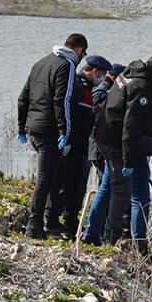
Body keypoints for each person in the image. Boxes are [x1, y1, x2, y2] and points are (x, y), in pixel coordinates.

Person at [82, 77, 152, 246]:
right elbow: (142, 130)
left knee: (106, 188)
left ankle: (91, 233)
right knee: (141, 192)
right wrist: (139, 152)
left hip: (113, 142)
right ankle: (142, 232)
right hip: (130, 147)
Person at [17, 33, 88, 239]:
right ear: (80, 50)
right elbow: (62, 101)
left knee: (52, 176)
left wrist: (22, 127)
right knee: (45, 180)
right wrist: (64, 131)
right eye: (83, 53)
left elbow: (23, 98)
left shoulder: (41, 62)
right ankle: (34, 225)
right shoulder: (66, 66)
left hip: (34, 129)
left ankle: (48, 221)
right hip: (49, 131)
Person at [44, 54, 112, 235]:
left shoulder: (87, 88)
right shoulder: (77, 86)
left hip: (82, 145)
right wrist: (66, 139)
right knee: (64, 183)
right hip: (72, 144)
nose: (102, 79)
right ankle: (52, 219)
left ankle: (70, 220)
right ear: (95, 71)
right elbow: (69, 115)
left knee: (77, 186)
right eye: (102, 74)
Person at [88, 62, 125, 183]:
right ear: (114, 77)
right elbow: (101, 120)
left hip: (98, 144)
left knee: (106, 182)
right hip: (98, 146)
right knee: (105, 183)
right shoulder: (101, 93)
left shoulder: (103, 90)